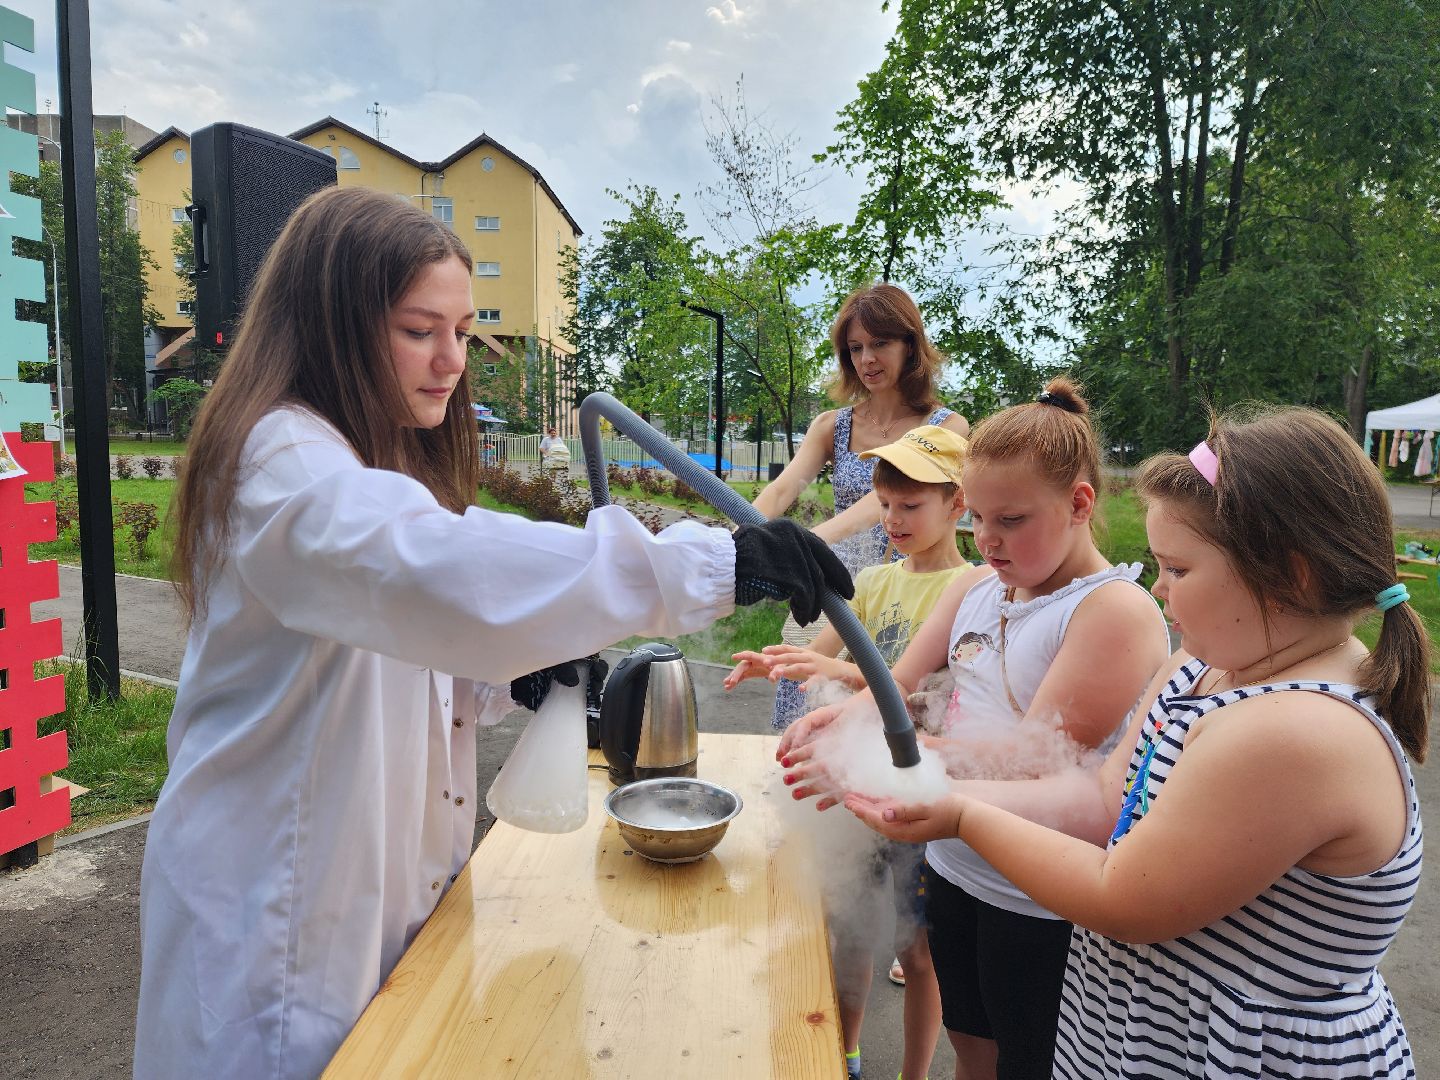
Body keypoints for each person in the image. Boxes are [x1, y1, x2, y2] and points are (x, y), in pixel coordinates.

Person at [134, 186, 851, 1080]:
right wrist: (708, 564)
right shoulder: (283, 459)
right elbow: (429, 570)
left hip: (354, 888)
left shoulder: (363, 453)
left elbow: (391, 638)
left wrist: (502, 675)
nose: (450, 362)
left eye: (464, 332)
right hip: (272, 921)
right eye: (417, 330)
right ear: (330, 326)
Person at [845, 406, 1428, 1079]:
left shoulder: (1299, 734)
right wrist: (934, 786)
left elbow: (1124, 899)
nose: (1158, 588)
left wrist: (960, 814)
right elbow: (1101, 799)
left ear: (1291, 577)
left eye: (1177, 569)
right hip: (1151, 1037)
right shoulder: (1203, 669)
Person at [781, 379, 1171, 1080]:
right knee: (973, 1049)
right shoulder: (976, 585)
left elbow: (1035, 758)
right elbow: (901, 687)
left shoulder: (1113, 611)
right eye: (978, 518)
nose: (986, 540)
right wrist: (843, 719)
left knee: (1031, 1063)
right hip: (957, 867)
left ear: (1080, 504)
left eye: (1012, 520)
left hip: (1042, 896)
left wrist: (891, 757)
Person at [727, 424, 978, 1080]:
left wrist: (838, 675)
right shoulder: (872, 581)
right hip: (856, 788)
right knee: (853, 932)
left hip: (925, 795)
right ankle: (846, 1051)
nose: (893, 519)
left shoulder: (972, 591)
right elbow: (827, 658)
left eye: (910, 505)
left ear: (958, 504)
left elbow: (929, 699)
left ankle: (914, 1072)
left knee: (919, 951)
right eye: (885, 503)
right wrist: (779, 663)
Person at [754, 283, 970, 730]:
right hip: (829, 592)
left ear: (911, 345)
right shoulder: (833, 425)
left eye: (880, 343)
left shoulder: (944, 426)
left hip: (900, 597)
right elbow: (780, 491)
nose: (867, 358)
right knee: (801, 704)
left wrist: (808, 542)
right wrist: (736, 545)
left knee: (884, 724)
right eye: (855, 348)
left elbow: (881, 503)